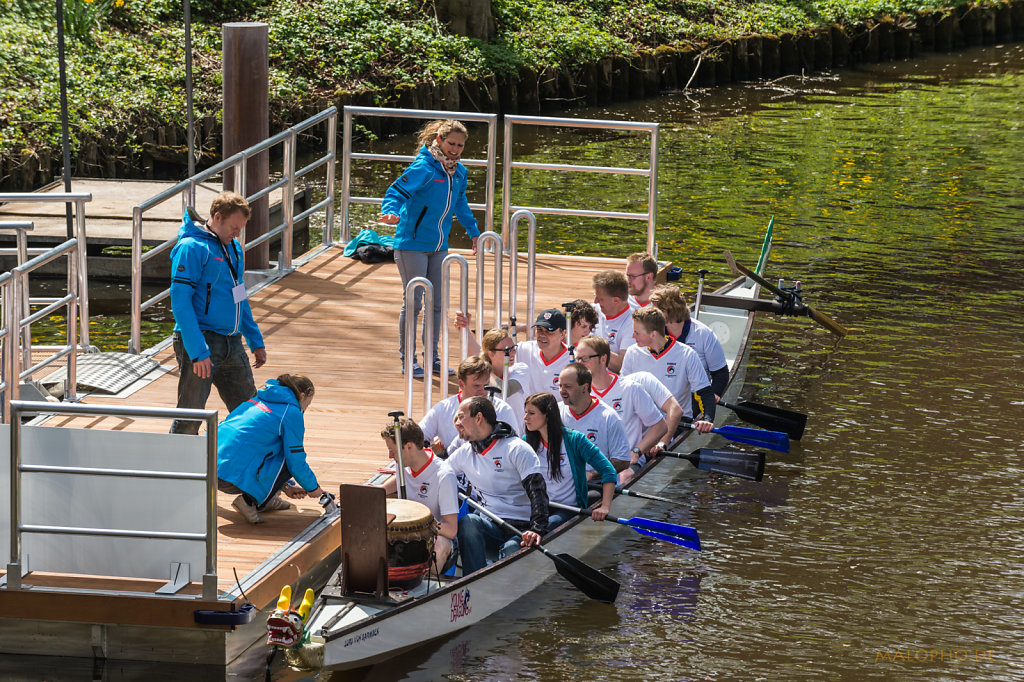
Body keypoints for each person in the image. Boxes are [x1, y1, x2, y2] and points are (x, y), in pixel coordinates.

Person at [380, 119, 480, 378]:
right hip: (411, 245)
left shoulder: (458, 172)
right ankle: (408, 360)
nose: (455, 150)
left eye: (460, 145)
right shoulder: (424, 167)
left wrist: (474, 232)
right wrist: (390, 213)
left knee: (437, 304)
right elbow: (396, 192)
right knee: (413, 303)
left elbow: (460, 204)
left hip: (439, 248)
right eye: (451, 144)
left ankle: (433, 358)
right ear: (439, 140)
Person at [169, 191, 266, 434]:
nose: (237, 234)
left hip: (231, 342)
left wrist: (255, 341)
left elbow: (239, 296)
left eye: (241, 229)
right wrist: (198, 351)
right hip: (200, 340)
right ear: (217, 217)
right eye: (234, 227)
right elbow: (180, 302)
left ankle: (244, 469)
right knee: (190, 416)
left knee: (251, 413)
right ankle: (176, 468)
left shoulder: (233, 248)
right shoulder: (192, 247)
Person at [447, 396, 548, 575]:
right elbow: (438, 475)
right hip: (490, 526)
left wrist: (536, 530)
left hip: (521, 529)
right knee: (468, 522)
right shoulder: (463, 454)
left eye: (461, 417)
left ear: (478, 418)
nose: (457, 423)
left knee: (511, 550)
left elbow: (538, 492)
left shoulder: (516, 449)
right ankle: (473, 582)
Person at [217, 374, 325, 525]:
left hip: (210, 470)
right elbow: (296, 462)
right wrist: (314, 489)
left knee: (270, 444)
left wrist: (285, 486)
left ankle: (266, 499)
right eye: (308, 402)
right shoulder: (291, 412)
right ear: (302, 396)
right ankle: (249, 501)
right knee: (289, 452)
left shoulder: (257, 399)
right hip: (231, 479)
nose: (306, 407)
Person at [522, 392, 616, 529]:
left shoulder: (575, 440)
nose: (525, 418)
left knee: (545, 527)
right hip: (538, 508)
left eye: (531, 413)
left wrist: (605, 507)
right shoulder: (526, 442)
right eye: (525, 412)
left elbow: (608, 471)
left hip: (568, 509)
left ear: (547, 415)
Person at [379, 418, 459, 572]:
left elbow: (451, 529)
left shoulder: (444, 475)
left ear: (408, 447)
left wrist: (419, 527)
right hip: (406, 536)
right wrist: (379, 490)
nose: (390, 456)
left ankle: (428, 592)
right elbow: (402, 476)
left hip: (435, 537)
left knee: (440, 545)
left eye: (393, 451)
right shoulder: (402, 464)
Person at [575, 335, 668, 459]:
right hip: (592, 463)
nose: (580, 364)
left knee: (623, 477)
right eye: (578, 359)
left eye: (585, 359)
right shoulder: (579, 393)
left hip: (625, 463)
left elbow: (660, 426)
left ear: (603, 359)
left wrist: (636, 452)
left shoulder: (631, 389)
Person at [621, 307, 717, 426]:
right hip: (643, 421)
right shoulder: (632, 352)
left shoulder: (686, 354)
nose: (632, 336)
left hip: (678, 421)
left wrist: (707, 420)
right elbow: (623, 391)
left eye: (637, 333)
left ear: (653, 334)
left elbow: (705, 393)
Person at [419, 356, 518, 455]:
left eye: (486, 385)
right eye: (476, 386)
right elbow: (417, 437)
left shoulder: (503, 409)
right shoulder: (442, 408)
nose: (483, 391)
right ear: (461, 384)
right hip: (452, 466)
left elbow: (515, 446)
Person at [556, 363, 635, 483]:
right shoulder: (555, 412)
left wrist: (591, 474)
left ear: (585, 387)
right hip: (563, 484)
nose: (562, 391)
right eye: (560, 386)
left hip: (596, 485)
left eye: (568, 386)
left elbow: (622, 461)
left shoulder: (609, 417)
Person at [649, 284, 729, 399]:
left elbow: (721, 374)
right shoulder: (653, 333)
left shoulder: (703, 334)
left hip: (695, 397)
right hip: (663, 397)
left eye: (656, 311)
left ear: (672, 310)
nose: (652, 315)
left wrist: (713, 396)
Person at [517, 309, 572, 400]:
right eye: (539, 330)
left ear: (563, 334)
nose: (542, 335)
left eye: (549, 331)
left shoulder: (574, 358)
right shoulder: (524, 349)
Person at [592, 270, 636, 373]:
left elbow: (621, 365)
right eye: (595, 296)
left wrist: (592, 345)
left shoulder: (633, 323)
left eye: (600, 299)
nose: (595, 302)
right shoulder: (593, 309)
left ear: (616, 300)